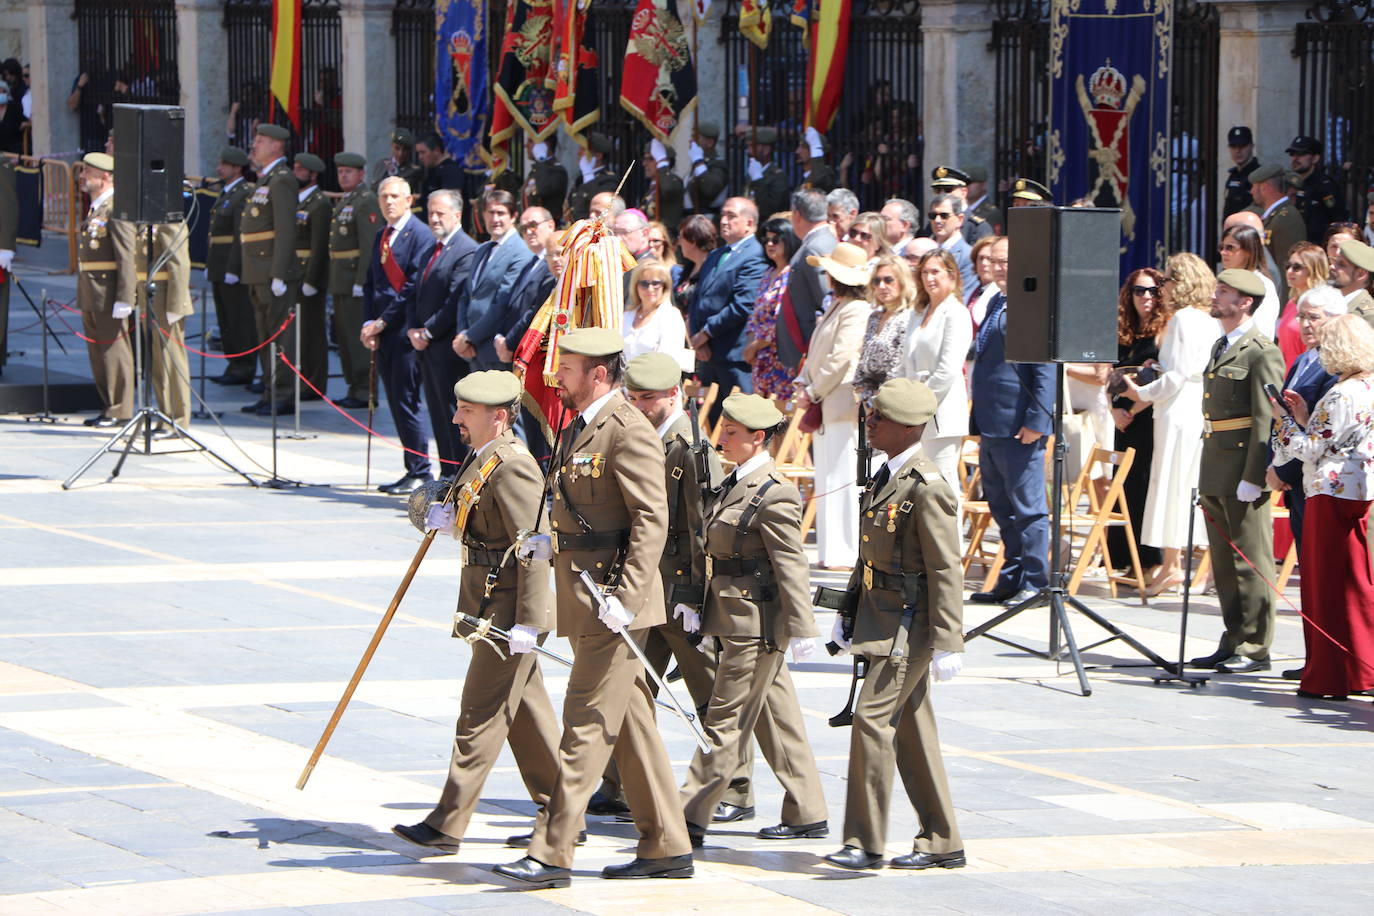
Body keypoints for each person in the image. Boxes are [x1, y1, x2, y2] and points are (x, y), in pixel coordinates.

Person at [494, 327, 693, 889]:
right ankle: (666, 844)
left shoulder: (626, 429)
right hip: (587, 597)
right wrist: (545, 539)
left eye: (569, 368)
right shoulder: (581, 426)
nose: (557, 378)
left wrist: (627, 598)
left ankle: (551, 851)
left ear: (599, 374)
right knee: (630, 723)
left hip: (614, 602)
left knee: (583, 723)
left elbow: (652, 519)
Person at [391, 371, 561, 853]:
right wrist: (447, 519)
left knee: (479, 715)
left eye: (466, 412)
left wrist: (530, 618)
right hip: (489, 601)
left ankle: (448, 822)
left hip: (509, 612)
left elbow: (533, 546)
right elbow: (482, 522)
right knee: (526, 714)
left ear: (498, 417)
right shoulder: (482, 458)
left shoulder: (513, 466)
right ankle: (563, 812)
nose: (455, 418)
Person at [823, 377, 966, 872]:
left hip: (911, 627)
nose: (869, 423)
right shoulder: (887, 476)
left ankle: (864, 841)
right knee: (910, 729)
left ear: (907, 428)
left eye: (877, 418)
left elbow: (946, 568)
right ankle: (942, 838)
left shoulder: (928, 489)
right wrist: (847, 614)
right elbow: (870, 561)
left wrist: (949, 641)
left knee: (871, 720)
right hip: (882, 619)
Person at [604, 354, 754, 821]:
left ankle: (734, 788)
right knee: (630, 686)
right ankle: (621, 785)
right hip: (644, 587)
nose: (639, 405)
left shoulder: (691, 450)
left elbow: (700, 530)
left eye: (648, 398)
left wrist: (695, 595)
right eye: (633, 397)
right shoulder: (641, 437)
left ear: (674, 396)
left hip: (679, 591)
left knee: (710, 693)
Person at [679, 392, 827, 845]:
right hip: (730, 619)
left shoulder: (774, 492)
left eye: (732, 432)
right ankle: (807, 810)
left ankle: (686, 817)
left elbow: (791, 564)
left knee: (724, 721)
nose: (722, 438)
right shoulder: (732, 482)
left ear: (757, 438)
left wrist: (802, 627)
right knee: (777, 717)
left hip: (753, 627)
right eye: (723, 428)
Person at [1271, 314, 1374, 700]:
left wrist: (1283, 421)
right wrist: (1302, 418)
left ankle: (1327, 675)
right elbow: (1331, 436)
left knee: (1323, 586)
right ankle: (1362, 669)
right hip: (1357, 490)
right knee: (1354, 584)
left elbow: (1311, 447)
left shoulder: (1341, 392)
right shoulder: (1368, 385)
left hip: (1328, 492)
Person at [1188, 269, 1285, 674]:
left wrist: (1255, 474)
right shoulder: (1222, 344)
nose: (1215, 296)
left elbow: (1266, 419)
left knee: (1251, 560)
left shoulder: (1262, 351)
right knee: (1225, 561)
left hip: (1242, 467)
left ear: (1245, 302)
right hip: (1216, 463)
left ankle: (1256, 646)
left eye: (1223, 292)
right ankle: (1233, 636)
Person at [1118, 253, 1219, 596]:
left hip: (1177, 409)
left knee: (1172, 483)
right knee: (1186, 484)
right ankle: (1179, 564)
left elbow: (1175, 376)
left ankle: (1173, 565)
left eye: (1167, 281)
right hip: (1197, 405)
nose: (1163, 289)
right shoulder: (1209, 319)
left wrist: (1140, 390)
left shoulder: (1181, 320)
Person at [969, 236, 1054, 606]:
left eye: (1004, 261)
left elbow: (1043, 369)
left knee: (1028, 508)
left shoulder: (1031, 304)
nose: (996, 266)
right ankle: (1011, 577)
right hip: (992, 422)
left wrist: (1037, 418)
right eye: (993, 260)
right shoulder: (997, 301)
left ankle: (1036, 581)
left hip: (1020, 424)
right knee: (1001, 506)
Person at [795, 242, 873, 569]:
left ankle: (845, 551)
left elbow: (842, 357)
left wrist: (812, 390)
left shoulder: (857, 309)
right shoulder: (838, 306)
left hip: (840, 401)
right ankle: (831, 550)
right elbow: (817, 353)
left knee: (841, 475)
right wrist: (803, 381)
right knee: (827, 474)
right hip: (826, 399)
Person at [360, 176, 436, 495]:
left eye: (395, 196)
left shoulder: (420, 235)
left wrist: (383, 321)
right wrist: (368, 322)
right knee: (393, 399)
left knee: (406, 400)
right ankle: (411, 467)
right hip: (383, 330)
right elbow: (371, 283)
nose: (389, 201)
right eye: (384, 196)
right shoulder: (383, 234)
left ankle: (420, 469)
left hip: (403, 329)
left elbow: (409, 287)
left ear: (409, 200)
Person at [409, 188, 479, 472]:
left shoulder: (466, 249)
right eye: (431, 213)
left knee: (455, 416)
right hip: (427, 348)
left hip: (446, 347)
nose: (434, 219)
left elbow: (454, 301)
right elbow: (416, 293)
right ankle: (447, 473)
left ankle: (458, 476)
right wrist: (412, 329)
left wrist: (427, 332)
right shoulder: (430, 247)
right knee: (437, 414)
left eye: (441, 213)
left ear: (457, 215)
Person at [1104, 269, 1167, 576]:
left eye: (1153, 291)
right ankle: (1121, 555)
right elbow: (1108, 376)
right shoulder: (1122, 332)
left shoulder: (1163, 333)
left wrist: (1133, 411)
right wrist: (1114, 411)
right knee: (1123, 484)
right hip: (1120, 419)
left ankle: (1147, 559)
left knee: (1143, 484)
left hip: (1146, 418)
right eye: (1140, 291)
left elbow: (1163, 381)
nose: (1146, 297)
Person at [688, 198, 768, 425]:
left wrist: (706, 333)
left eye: (731, 216)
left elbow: (744, 303)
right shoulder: (716, 255)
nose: (723, 221)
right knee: (711, 422)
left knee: (740, 421)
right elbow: (698, 298)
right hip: (708, 354)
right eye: (722, 215)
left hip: (733, 354)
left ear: (749, 223)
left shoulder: (755, 254)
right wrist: (698, 339)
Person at [238, 124, 300, 415]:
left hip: (271, 273)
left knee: (279, 338)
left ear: (277, 146)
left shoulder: (282, 179)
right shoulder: (266, 179)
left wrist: (278, 272)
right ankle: (268, 391)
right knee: (264, 337)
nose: (254, 145)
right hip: (256, 270)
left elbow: (286, 230)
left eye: (261, 141)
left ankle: (282, 394)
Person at [74, 152, 135, 427]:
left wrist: (125, 296)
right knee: (98, 352)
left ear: (106, 176)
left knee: (114, 350)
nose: (82, 176)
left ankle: (120, 409)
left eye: (88, 171)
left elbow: (127, 254)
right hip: (92, 292)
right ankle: (108, 404)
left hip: (109, 293)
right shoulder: (96, 207)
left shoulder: (116, 207)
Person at [904, 249, 972, 492]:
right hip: (912, 411)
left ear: (951, 275)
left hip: (940, 413)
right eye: (924, 272)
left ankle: (949, 531)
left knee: (941, 485)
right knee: (917, 487)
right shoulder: (917, 313)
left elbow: (947, 369)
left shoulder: (956, 313)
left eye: (936, 271)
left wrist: (919, 406)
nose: (929, 278)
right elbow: (906, 362)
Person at [454, 189, 535, 370]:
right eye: (491, 212)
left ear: (513, 216)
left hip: (494, 351)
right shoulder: (482, 249)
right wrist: (462, 334)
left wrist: (469, 337)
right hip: (472, 350)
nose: (495, 219)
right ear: (483, 214)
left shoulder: (521, 252)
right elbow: (467, 295)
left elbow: (502, 304)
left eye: (501, 213)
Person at [327, 151, 384, 408]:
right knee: (344, 337)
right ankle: (353, 386)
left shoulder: (366, 200)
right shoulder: (348, 200)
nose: (343, 175)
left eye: (348, 171)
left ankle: (365, 390)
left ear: (361, 174)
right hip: (340, 279)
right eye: (340, 172)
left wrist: (362, 281)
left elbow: (368, 244)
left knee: (356, 338)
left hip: (353, 281)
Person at [205, 147, 257, 387]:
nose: (219, 168)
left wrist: (234, 268)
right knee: (225, 319)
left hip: (231, 267)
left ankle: (244, 365)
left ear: (237, 168)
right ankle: (233, 362)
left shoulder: (243, 193)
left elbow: (239, 234)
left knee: (239, 319)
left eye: (225, 164)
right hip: (219, 264)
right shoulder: (227, 193)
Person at [777, 188, 836, 374]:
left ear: (797, 214)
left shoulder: (815, 247)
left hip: (807, 344)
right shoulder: (818, 242)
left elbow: (827, 298)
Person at [742, 217, 800, 400]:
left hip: (781, 358)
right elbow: (755, 315)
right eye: (766, 240)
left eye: (775, 239)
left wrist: (754, 346)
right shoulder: (768, 273)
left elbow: (783, 320)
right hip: (760, 359)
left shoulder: (792, 274)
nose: (769, 244)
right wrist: (750, 347)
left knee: (781, 417)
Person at [292, 153, 332, 396]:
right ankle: (301, 378)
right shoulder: (298, 201)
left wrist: (311, 279)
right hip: (295, 272)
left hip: (308, 275)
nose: (295, 172)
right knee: (299, 331)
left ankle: (314, 384)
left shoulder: (319, 203)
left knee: (312, 332)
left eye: (300, 169)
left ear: (313, 174)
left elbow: (319, 246)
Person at [855, 255, 916, 401]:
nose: (882, 286)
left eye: (888, 280)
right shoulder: (874, 317)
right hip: (866, 397)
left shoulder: (909, 317)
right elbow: (863, 360)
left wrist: (878, 400)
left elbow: (899, 363)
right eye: (877, 281)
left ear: (903, 282)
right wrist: (863, 393)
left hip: (893, 398)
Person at [1249, 163, 1306, 302]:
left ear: (1264, 188)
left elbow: (1286, 267)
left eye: (1254, 187)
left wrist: (1283, 307)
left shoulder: (1286, 218)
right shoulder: (1275, 216)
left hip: (1282, 301)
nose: (1251, 192)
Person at [1216, 224, 1279, 338]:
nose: (1223, 252)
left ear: (1249, 251)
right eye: (1222, 247)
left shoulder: (1263, 285)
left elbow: (1262, 330)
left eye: (1230, 248)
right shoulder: (1222, 282)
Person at [1277, 242, 1329, 369]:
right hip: (1285, 376)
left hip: (1307, 376)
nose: (1290, 271)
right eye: (1288, 266)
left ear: (1313, 270)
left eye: (1296, 267)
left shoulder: (1324, 306)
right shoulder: (1291, 303)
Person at [1287, 135, 1348, 243]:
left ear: (1315, 158)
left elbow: (1337, 219)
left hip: (1316, 247)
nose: (1295, 158)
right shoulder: (1288, 183)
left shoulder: (1325, 186)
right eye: (1292, 154)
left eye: (1301, 154)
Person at [623, 260, 687, 362]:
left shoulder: (671, 316)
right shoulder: (626, 316)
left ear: (664, 287)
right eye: (644, 283)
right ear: (636, 286)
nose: (650, 289)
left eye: (656, 283)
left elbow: (669, 361)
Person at [927, 193, 976, 294]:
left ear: (960, 219)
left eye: (944, 216)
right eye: (933, 216)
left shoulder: (968, 255)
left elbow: (964, 295)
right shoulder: (926, 250)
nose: (937, 220)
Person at [565, 132, 619, 222]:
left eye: (583, 149)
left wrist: (588, 175)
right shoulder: (580, 179)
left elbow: (600, 205)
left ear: (598, 156)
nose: (578, 153)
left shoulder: (609, 180)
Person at [672, 214, 718, 314]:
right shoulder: (689, 267)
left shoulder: (713, 270)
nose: (679, 242)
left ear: (692, 241)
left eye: (681, 237)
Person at [686, 121, 729, 219]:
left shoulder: (718, 164)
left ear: (709, 143)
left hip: (708, 219)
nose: (691, 141)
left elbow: (710, 189)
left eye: (696, 138)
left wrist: (698, 161)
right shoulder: (699, 164)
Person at [746, 126, 789, 221]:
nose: (749, 151)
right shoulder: (752, 171)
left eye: (752, 147)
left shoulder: (778, 176)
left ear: (766, 150)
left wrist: (758, 179)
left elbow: (769, 209)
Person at [642, 139, 684, 232]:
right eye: (645, 159)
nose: (645, 163)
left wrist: (662, 163)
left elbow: (668, 189)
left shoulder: (674, 181)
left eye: (651, 159)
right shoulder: (651, 187)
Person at [1330, 238, 1374, 325]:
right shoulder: (1328, 302)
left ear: (1361, 273)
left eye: (1342, 265)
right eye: (1335, 262)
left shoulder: (1368, 317)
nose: (1332, 267)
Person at [965, 234, 1001, 331]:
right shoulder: (974, 290)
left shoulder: (1001, 293)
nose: (984, 263)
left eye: (989, 259)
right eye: (980, 258)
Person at [1223, 126, 1259, 217]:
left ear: (1251, 146)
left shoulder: (1258, 175)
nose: (1238, 151)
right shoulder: (1233, 175)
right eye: (1234, 147)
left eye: (1243, 146)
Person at [795, 127, 837, 193]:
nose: (797, 151)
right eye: (799, 146)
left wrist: (816, 148)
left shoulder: (826, 175)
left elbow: (819, 179)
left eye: (803, 147)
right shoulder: (803, 175)